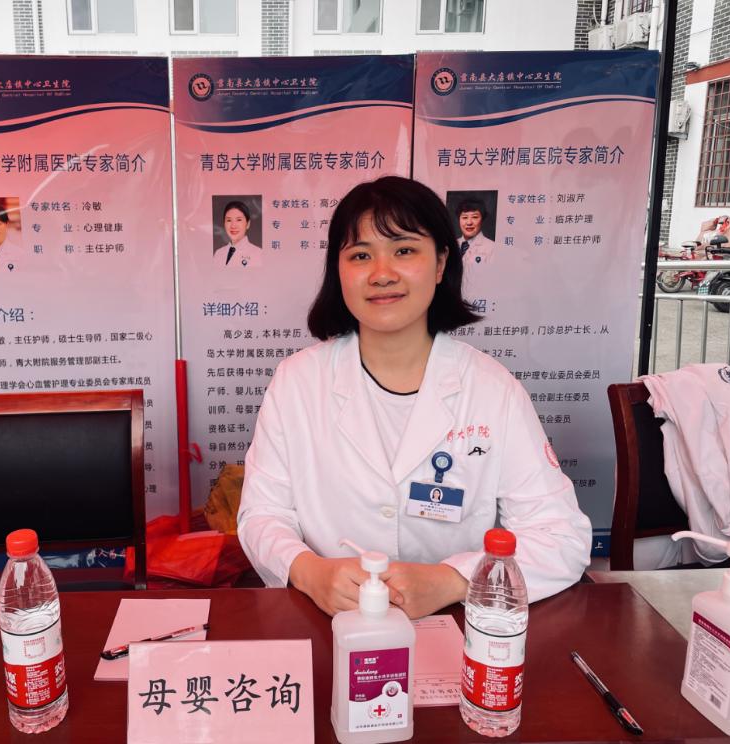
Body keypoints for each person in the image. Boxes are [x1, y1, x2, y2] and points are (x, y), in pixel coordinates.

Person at [237, 176, 591, 619]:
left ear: (441, 263)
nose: (382, 273)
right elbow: (262, 515)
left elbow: (561, 537)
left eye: (404, 251)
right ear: (338, 271)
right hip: (328, 621)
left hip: (454, 626)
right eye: (360, 255)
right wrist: (310, 571)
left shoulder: (492, 389)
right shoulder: (296, 382)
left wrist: (454, 580)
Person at [214, 200, 260, 267]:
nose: (233, 226)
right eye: (229, 220)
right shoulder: (218, 253)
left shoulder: (258, 253)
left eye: (239, 220)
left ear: (248, 224)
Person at [456, 198, 495, 265]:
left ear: (482, 220)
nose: (469, 222)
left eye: (475, 217)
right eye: (465, 217)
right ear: (459, 220)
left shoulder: (492, 248)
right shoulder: (452, 244)